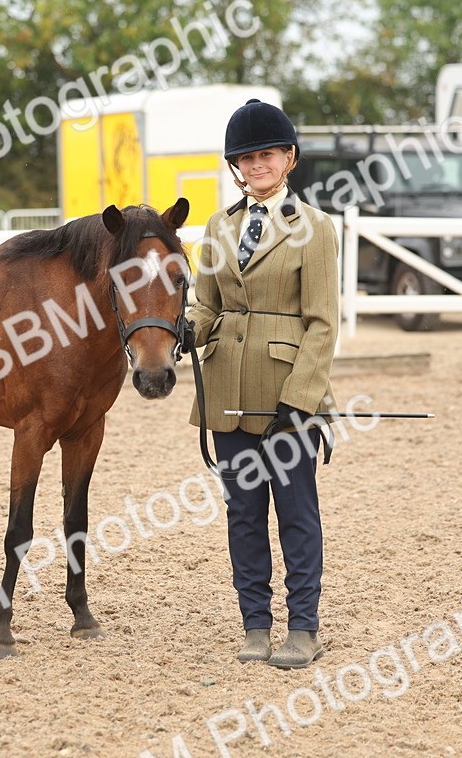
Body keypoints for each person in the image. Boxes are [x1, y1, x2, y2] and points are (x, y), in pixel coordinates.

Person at [183, 99, 339, 668]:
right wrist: (185, 331)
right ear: (236, 166)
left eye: (266, 155)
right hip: (227, 391)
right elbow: (207, 303)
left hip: (286, 393)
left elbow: (323, 323)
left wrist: (300, 400)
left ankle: (304, 627)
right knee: (242, 514)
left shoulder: (315, 229)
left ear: (289, 158)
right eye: (246, 158)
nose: (256, 166)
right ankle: (254, 623)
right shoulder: (218, 227)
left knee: (296, 512)